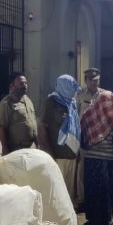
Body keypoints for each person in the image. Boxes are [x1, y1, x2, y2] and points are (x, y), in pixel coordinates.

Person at [81, 90, 113, 225]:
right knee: (104, 189)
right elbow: (82, 132)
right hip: (104, 157)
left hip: (95, 157)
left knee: (95, 188)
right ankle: (103, 219)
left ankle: (98, 219)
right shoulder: (111, 116)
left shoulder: (89, 114)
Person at [39, 74, 81, 202]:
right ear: (65, 87)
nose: (74, 91)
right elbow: (42, 128)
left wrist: (77, 151)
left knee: (68, 193)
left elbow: (76, 128)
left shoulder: (72, 103)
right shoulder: (51, 102)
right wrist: (49, 153)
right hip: (57, 155)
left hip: (71, 154)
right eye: (72, 88)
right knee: (57, 193)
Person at [75, 68, 104, 209]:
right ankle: (83, 200)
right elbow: (75, 116)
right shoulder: (79, 95)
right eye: (91, 80)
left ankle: (96, 199)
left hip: (101, 139)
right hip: (84, 137)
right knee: (82, 171)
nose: (94, 82)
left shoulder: (104, 95)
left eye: (96, 80)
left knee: (98, 170)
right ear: (86, 81)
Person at [0, 72, 38, 155]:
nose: (25, 86)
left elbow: (33, 123)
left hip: (30, 148)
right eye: (21, 84)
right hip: (15, 150)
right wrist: (5, 150)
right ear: (12, 86)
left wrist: (38, 144)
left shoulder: (28, 100)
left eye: (26, 83)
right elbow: (2, 128)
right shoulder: (6, 104)